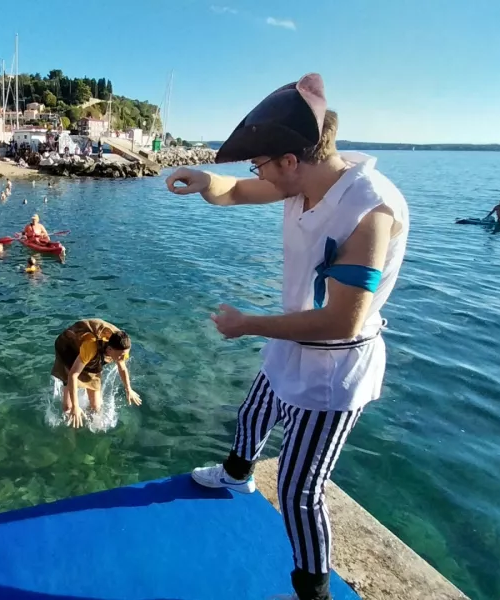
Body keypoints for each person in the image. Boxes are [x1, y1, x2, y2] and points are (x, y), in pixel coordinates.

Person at [165, 73, 409, 600]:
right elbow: (237, 192)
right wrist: (205, 180)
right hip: (293, 340)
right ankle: (236, 475)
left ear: (292, 161)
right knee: (255, 412)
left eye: (263, 163)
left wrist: (247, 323)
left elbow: (342, 321)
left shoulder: (369, 212)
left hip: (335, 365)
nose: (259, 174)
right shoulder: (301, 184)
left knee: (301, 490)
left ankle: (313, 593)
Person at [51, 319, 142, 429]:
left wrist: (129, 389)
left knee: (96, 407)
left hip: (91, 353)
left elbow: (122, 368)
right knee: (68, 408)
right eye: (120, 356)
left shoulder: (122, 346)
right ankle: (72, 431)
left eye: (124, 355)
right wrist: (76, 406)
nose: (123, 359)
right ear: (109, 349)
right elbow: (73, 375)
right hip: (68, 348)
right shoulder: (90, 346)